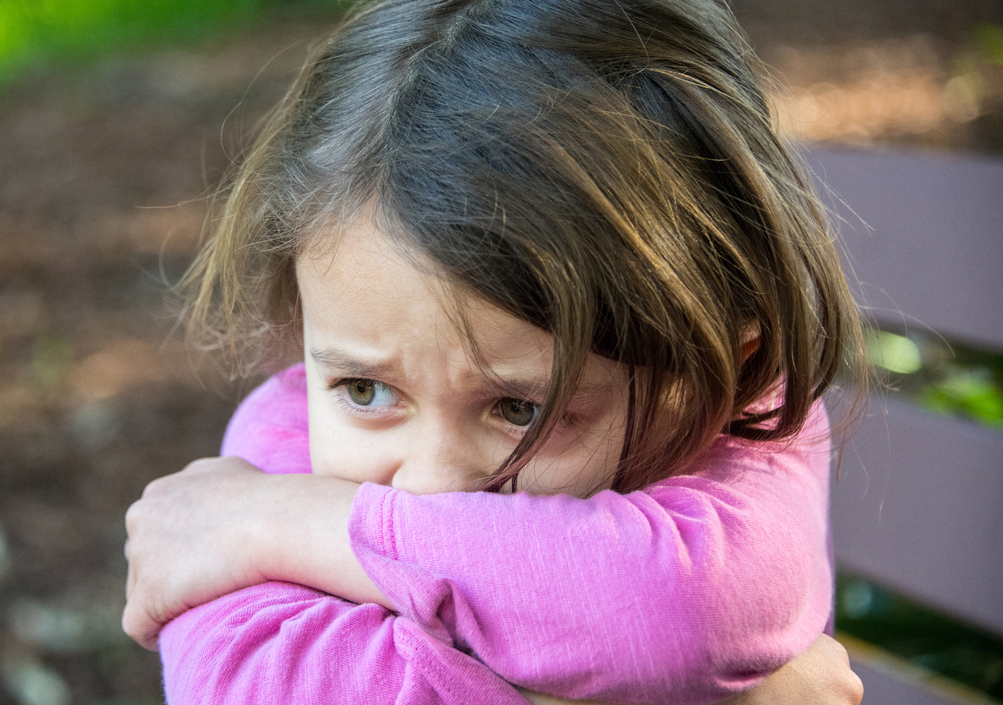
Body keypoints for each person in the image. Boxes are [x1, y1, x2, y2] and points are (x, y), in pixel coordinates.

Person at [123, 0, 868, 702]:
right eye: (365, 391)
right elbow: (254, 682)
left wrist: (296, 526)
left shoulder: (744, 441)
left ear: (724, 371)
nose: (429, 484)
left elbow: (681, 609)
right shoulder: (278, 434)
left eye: (521, 408)